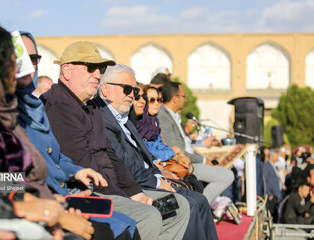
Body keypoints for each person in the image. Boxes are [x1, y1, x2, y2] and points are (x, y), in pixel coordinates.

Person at [0, 26, 109, 240]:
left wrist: (51, 204)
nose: (19, 71)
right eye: (8, 64)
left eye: (25, 62)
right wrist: (27, 207)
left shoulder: (1, 114)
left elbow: (3, 178)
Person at [42, 41, 190, 240]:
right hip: (88, 194)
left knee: (178, 208)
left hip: (113, 190)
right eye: (91, 68)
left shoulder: (91, 106)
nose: (97, 74)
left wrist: (135, 193)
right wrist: (127, 197)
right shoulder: (59, 105)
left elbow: (111, 156)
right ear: (67, 70)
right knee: (149, 215)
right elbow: (84, 167)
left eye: (101, 68)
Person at [15, 31, 138, 240]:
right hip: (31, 204)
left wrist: (75, 171)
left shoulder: (31, 107)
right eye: (19, 59)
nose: (98, 75)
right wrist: (37, 206)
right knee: (116, 229)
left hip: (58, 196)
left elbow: (54, 156)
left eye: (34, 59)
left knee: (126, 225)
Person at [94, 63, 218, 240]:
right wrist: (159, 182)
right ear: (105, 89)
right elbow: (124, 165)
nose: (132, 96)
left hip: (150, 180)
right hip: (136, 189)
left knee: (199, 199)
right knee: (185, 205)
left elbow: (144, 156)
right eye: (127, 89)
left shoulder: (124, 118)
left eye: (135, 91)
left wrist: (161, 174)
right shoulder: (102, 118)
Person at [157, 81, 234, 204]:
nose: (186, 100)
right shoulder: (163, 116)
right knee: (227, 176)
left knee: (223, 170)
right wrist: (204, 160)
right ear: (175, 98)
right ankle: (201, 206)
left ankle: (203, 206)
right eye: (184, 96)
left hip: (188, 160)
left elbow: (183, 143)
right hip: (183, 164)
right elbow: (175, 148)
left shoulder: (172, 115)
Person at [262, 148, 283, 222]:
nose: (277, 158)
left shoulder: (272, 166)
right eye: (276, 156)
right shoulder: (266, 166)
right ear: (271, 156)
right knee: (271, 215)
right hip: (271, 196)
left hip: (275, 196)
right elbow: (264, 181)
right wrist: (269, 194)